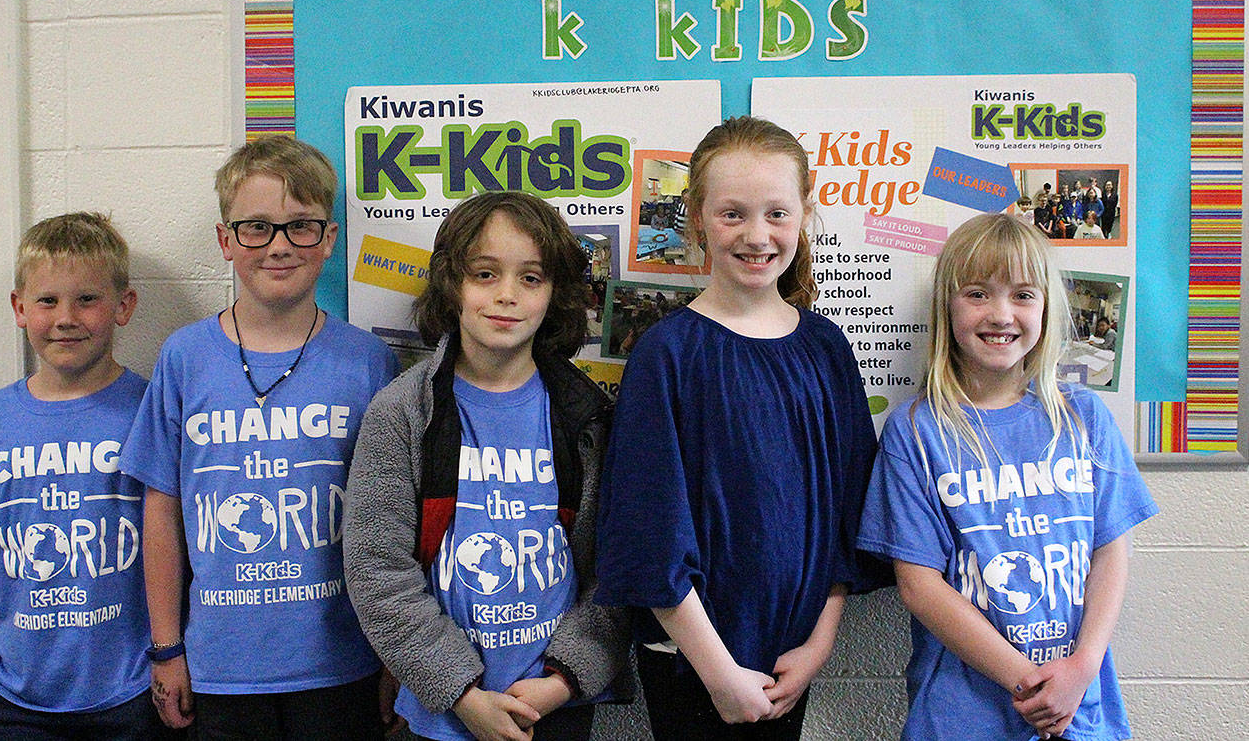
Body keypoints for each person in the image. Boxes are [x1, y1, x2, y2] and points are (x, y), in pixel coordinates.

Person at [596, 116, 884, 740]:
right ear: (696, 219)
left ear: (806, 214)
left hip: (793, 657)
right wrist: (718, 671)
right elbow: (649, 532)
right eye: (733, 215)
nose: (757, 236)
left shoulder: (827, 349)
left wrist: (818, 646)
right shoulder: (665, 356)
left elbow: (848, 515)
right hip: (691, 662)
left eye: (777, 213)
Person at [121, 137, 400, 739]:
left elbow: (393, 520)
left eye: (301, 227)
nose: (279, 245)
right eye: (256, 227)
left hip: (342, 664)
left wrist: (395, 654)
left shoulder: (368, 361)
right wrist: (166, 648)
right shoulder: (185, 358)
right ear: (225, 241)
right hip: (220, 668)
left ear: (328, 240)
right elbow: (162, 509)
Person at [856, 213, 1157, 740]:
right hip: (961, 716)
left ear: (1046, 308)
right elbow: (919, 585)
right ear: (947, 307)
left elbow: (1111, 550)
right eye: (977, 294)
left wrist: (1081, 668)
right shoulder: (915, 434)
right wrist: (1028, 684)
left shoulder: (1084, 418)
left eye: (1022, 295)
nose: (1001, 314)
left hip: (1080, 708)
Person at [343, 191, 630, 741]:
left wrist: (565, 681)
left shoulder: (586, 416)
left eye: (530, 278)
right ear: (452, 284)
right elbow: (376, 568)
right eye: (484, 274)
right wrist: (460, 693)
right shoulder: (402, 413)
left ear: (553, 293)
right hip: (446, 713)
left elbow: (612, 568)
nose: (506, 296)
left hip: (554, 704)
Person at [0, 212, 168, 738]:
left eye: (86, 299)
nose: (66, 317)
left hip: (130, 692)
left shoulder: (149, 409)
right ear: (20, 309)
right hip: (13, 698)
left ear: (124, 306)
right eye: (48, 301)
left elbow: (173, 542)